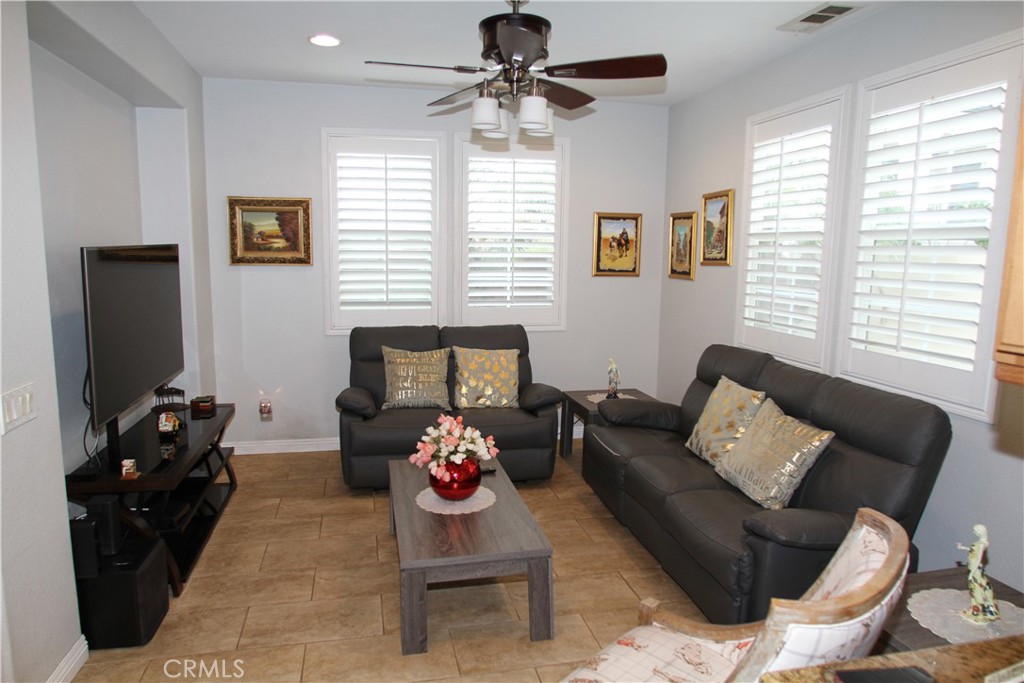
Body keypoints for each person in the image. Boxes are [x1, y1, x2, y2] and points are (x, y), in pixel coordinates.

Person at [957, 524, 1000, 622]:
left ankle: (978, 611)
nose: (974, 532)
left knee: (976, 590)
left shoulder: (981, 544)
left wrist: (972, 572)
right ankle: (979, 610)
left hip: (975, 570)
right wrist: (963, 547)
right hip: (975, 569)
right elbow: (973, 551)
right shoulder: (982, 543)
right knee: (978, 589)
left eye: (975, 531)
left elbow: (978, 559)